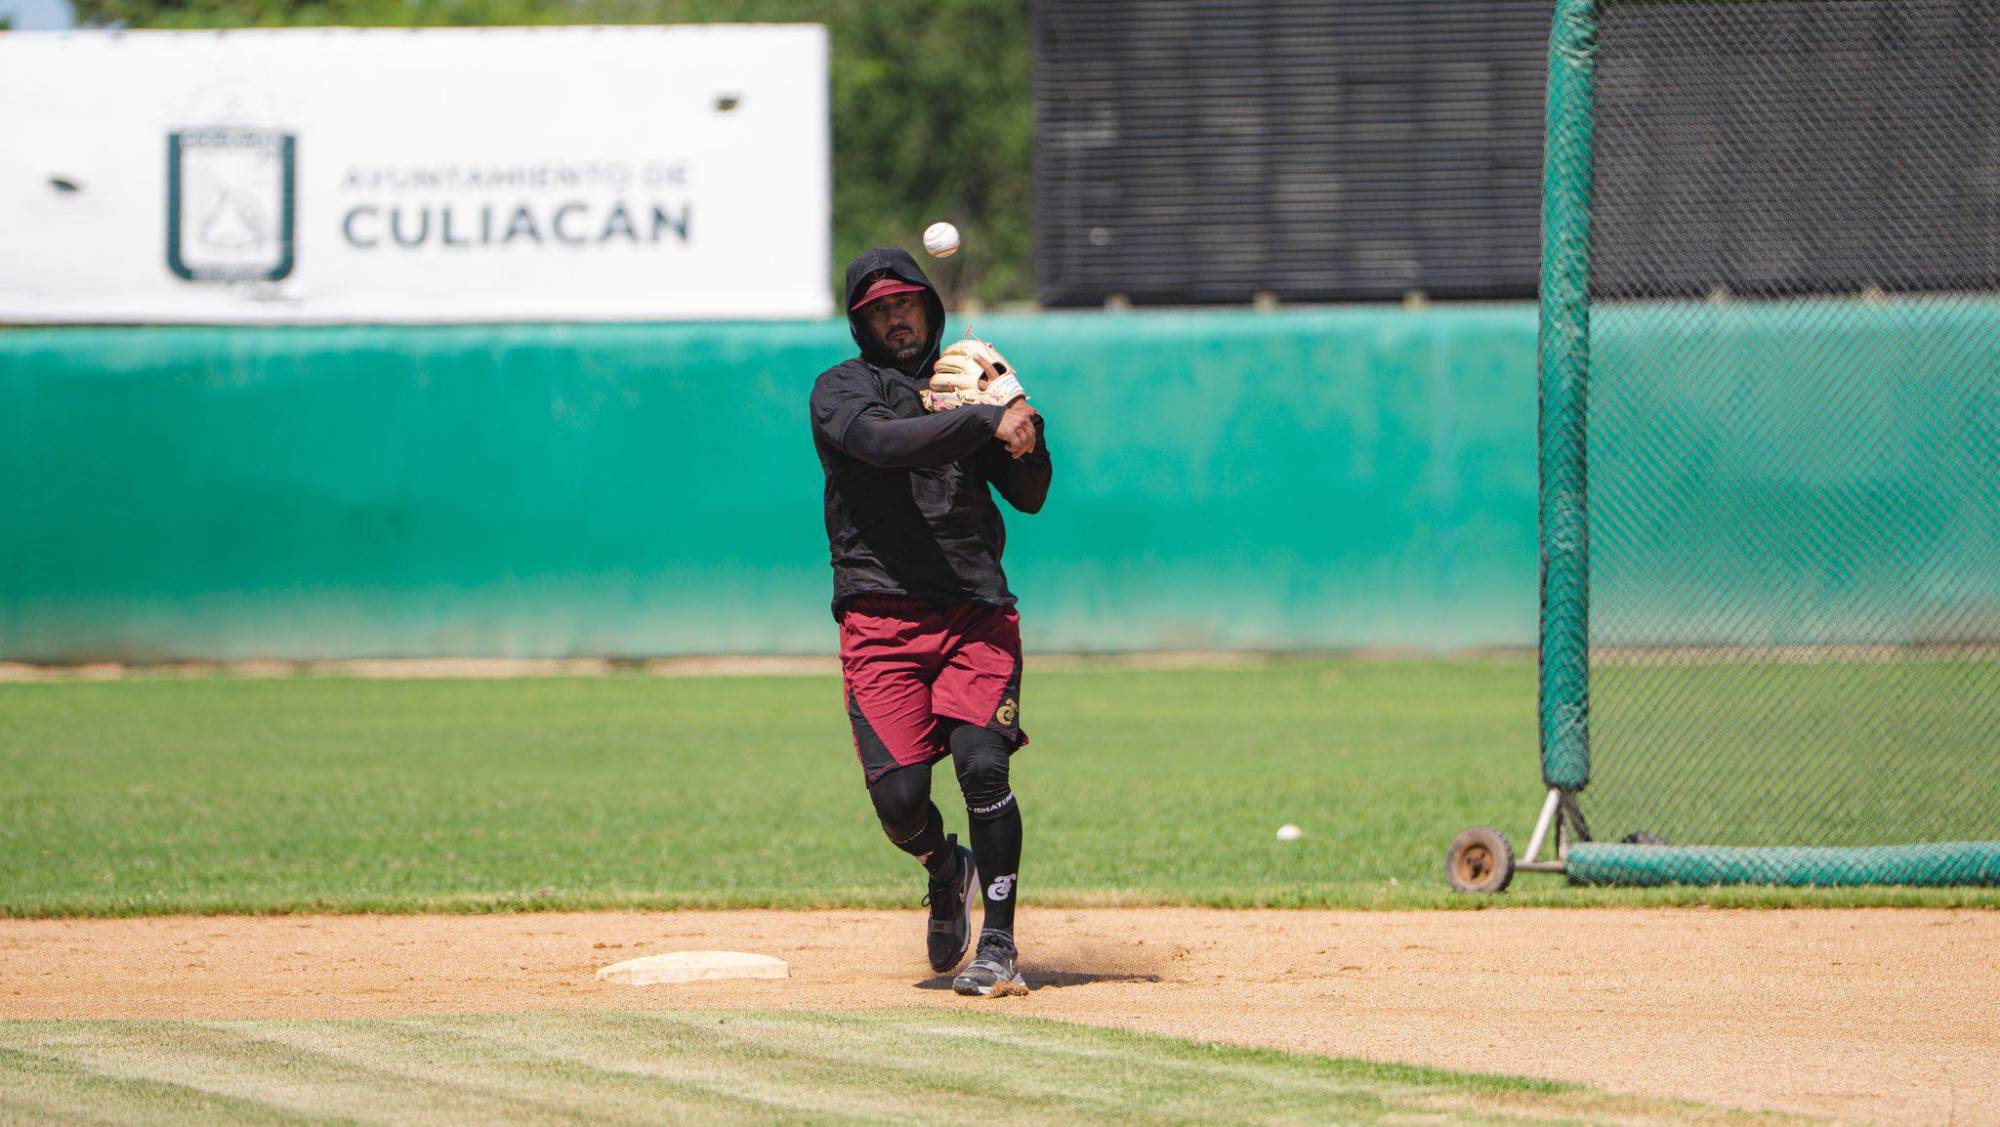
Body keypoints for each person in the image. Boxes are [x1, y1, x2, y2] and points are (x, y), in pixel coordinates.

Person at [808, 247, 1052, 996]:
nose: (896, 318)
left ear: (929, 306)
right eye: (879, 309)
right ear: (860, 323)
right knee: (901, 802)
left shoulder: (963, 382)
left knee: (983, 764)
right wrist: (984, 418)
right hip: (879, 616)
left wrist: (1025, 427)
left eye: (906, 302)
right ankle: (947, 869)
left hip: (974, 610)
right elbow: (884, 444)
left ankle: (1000, 945)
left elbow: (1031, 494)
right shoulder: (843, 390)